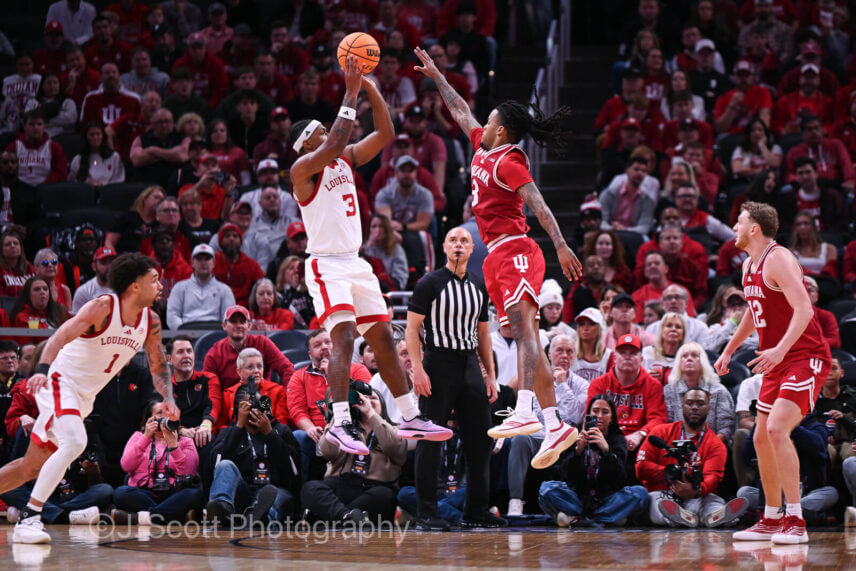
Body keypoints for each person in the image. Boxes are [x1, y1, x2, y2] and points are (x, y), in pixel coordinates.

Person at [414, 45, 583, 467]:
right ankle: (554, 423)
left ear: (502, 132)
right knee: (532, 344)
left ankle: (525, 409)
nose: (483, 123)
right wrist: (437, 76)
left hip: (518, 249)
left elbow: (539, 204)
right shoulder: (482, 149)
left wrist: (560, 245)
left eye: (490, 121)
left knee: (526, 333)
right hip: (495, 257)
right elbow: (459, 111)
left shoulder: (510, 161)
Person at [289, 55, 451, 455]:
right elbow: (336, 139)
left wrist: (373, 91)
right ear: (306, 142)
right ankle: (340, 420)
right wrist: (350, 89)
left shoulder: (346, 157)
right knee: (342, 337)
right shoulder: (304, 168)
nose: (329, 132)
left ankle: (410, 414)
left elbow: (386, 132)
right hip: (326, 263)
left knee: (381, 338)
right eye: (320, 131)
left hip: (356, 262)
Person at [0, 253, 179, 543]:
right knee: (76, 441)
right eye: (154, 279)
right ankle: (29, 518)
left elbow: (158, 365)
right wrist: (43, 370)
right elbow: (60, 335)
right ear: (135, 285)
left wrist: (166, 398)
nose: (160, 286)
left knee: (29, 467)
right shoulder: (103, 308)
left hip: (84, 397)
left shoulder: (151, 321)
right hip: (60, 381)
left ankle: (29, 513)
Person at [716, 201, 832, 544]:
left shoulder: (777, 258)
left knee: (778, 429)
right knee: (759, 437)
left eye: (739, 221)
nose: (734, 226)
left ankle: (795, 521)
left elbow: (804, 307)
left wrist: (781, 348)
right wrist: (728, 349)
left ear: (754, 228)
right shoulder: (748, 265)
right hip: (777, 361)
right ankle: (770, 517)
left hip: (805, 355)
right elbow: (754, 312)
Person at [405, 227, 505, 529]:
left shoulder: (478, 285)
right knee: (431, 438)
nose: (458, 244)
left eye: (464, 241)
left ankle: (476, 510)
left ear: (472, 249)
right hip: (438, 363)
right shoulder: (429, 283)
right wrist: (418, 369)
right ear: (445, 247)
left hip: (470, 364)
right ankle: (426, 511)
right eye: (453, 240)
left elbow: (484, 333)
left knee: (481, 439)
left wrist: (491, 376)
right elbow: (411, 330)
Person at [637, 388, 748, 528]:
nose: (694, 407)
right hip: (664, 492)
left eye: (700, 404)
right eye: (689, 403)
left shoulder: (716, 444)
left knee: (713, 501)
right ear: (682, 406)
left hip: (699, 494)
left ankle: (716, 516)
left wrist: (696, 490)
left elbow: (712, 477)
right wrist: (670, 472)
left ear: (709, 408)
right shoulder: (660, 432)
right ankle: (679, 518)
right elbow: (640, 468)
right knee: (657, 502)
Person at [504, 334, 589, 517]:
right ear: (549, 354)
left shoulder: (583, 385)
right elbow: (530, 416)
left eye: (569, 352)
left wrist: (563, 384)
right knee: (519, 439)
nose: (564, 356)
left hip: (568, 441)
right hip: (541, 438)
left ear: (574, 356)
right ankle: (516, 501)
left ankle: (567, 503)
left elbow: (577, 416)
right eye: (559, 351)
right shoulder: (534, 381)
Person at [301, 383, 408, 525]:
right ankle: (346, 517)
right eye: (362, 399)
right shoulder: (343, 429)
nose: (367, 401)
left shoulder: (395, 430)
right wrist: (340, 413)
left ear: (383, 404)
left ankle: (330, 518)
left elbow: (396, 448)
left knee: (385, 496)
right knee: (310, 488)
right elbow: (327, 452)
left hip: (374, 489)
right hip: (341, 484)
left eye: (373, 398)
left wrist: (370, 413)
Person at [538, 395, 649, 527]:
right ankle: (606, 519)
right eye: (595, 411)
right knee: (546, 489)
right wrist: (577, 451)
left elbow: (620, 477)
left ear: (612, 417)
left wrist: (607, 451)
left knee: (640, 494)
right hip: (577, 497)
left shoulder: (617, 439)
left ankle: (578, 519)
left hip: (607, 498)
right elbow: (563, 474)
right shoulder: (574, 436)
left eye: (605, 412)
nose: (600, 416)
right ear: (587, 415)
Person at [205, 380, 301, 527]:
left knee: (273, 495)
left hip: (274, 489)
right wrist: (238, 427)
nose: (254, 411)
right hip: (242, 492)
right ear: (239, 410)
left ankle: (258, 516)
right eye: (249, 407)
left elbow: (294, 472)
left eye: (258, 405)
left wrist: (269, 434)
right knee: (225, 465)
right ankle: (222, 509)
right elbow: (217, 467)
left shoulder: (280, 431)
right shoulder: (230, 432)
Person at [286, 330, 373, 481]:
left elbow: (365, 400)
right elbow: (296, 410)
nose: (324, 347)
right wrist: (309, 428)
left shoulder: (357, 369)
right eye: (317, 345)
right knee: (299, 436)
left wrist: (334, 375)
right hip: (318, 434)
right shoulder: (298, 377)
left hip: (353, 427)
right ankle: (304, 491)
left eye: (328, 342)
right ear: (309, 354)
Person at [110, 400, 202, 525]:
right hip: (144, 492)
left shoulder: (185, 441)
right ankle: (176, 516)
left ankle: (143, 518)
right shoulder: (138, 437)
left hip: (174, 492)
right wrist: (146, 437)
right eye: (160, 413)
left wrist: (174, 445)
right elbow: (126, 466)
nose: (165, 417)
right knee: (120, 493)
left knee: (194, 494)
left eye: (169, 413)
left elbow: (189, 472)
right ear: (148, 420)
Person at [587, 334, 668, 456]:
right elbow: (590, 418)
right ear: (614, 357)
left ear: (641, 359)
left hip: (638, 444)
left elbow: (658, 419)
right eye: (623, 353)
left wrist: (640, 434)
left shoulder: (653, 385)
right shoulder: (599, 384)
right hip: (606, 439)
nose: (627, 357)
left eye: (633, 353)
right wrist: (613, 435)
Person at [203, 305, 294, 391]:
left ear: (249, 326)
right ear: (224, 326)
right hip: (229, 403)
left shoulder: (263, 343)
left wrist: (286, 397)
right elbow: (209, 387)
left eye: (242, 322)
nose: (238, 325)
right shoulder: (215, 352)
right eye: (233, 321)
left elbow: (287, 369)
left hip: (263, 401)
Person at [663, 343, 735, 443]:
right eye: (684, 356)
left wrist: (706, 447)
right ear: (678, 362)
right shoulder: (669, 390)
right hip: (677, 446)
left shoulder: (719, 391)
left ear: (703, 362)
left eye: (694, 355)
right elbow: (667, 425)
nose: (689, 359)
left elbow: (726, 428)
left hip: (713, 445)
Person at [166, 335, 219, 447]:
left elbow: (213, 405)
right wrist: (181, 431)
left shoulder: (209, 378)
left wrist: (205, 426)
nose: (186, 356)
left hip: (204, 433)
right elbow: (164, 416)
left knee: (208, 439)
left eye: (189, 351)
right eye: (180, 352)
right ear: (169, 359)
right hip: (177, 436)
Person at [4, 109, 67, 186]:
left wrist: (45, 184)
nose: (36, 127)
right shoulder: (14, 147)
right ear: (24, 127)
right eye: (31, 124)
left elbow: (61, 173)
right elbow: (4, 170)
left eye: (39, 124)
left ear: (44, 127)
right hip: (19, 189)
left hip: (47, 189)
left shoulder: (54, 147)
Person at [598, 157, 656, 237]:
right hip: (609, 232)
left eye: (643, 171)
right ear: (627, 171)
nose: (640, 173)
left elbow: (644, 227)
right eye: (636, 169)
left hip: (633, 235)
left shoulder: (647, 200)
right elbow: (600, 221)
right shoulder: (609, 194)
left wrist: (625, 230)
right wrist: (611, 228)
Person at [10, 276, 71, 347]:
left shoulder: (60, 311)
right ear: (28, 295)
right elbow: (26, 349)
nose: (42, 292)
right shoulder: (22, 318)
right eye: (37, 289)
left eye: (45, 289)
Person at [104, 183, 164, 255]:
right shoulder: (126, 218)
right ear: (144, 199)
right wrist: (111, 258)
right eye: (156, 197)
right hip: (123, 259)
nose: (160, 201)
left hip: (149, 261)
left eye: (162, 199)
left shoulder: (161, 223)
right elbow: (108, 243)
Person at [69, 122, 125, 186]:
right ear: (86, 137)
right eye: (92, 134)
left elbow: (119, 181)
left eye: (98, 134)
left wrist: (102, 185)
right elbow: (72, 182)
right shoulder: (78, 159)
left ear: (103, 136)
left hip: (109, 193)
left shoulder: (114, 157)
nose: (95, 137)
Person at [363, 213, 408, 291]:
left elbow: (400, 280)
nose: (377, 230)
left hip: (389, 289)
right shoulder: (363, 249)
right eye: (374, 227)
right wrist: (368, 246)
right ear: (369, 230)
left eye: (381, 226)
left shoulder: (396, 249)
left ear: (387, 229)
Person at [789, 212, 838, 278]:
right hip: (802, 285)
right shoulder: (790, 252)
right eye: (798, 224)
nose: (802, 227)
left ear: (813, 227)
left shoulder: (829, 249)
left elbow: (831, 272)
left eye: (806, 223)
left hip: (824, 283)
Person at [570, 308, 613, 383]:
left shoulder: (609, 356)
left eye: (591, 324)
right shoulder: (569, 353)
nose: (586, 328)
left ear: (600, 328)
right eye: (582, 324)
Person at [641, 312, 685, 382]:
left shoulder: (686, 358)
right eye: (669, 326)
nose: (673, 329)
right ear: (661, 331)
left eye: (678, 327)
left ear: (683, 334)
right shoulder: (647, 353)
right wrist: (645, 378)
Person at [72, 246, 116, 314]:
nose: (109, 267)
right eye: (104, 263)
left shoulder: (125, 288)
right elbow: (77, 321)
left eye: (112, 262)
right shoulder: (84, 292)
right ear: (94, 266)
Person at [276, 255, 315, 328]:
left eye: (299, 269)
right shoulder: (277, 294)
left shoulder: (310, 292)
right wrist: (293, 289)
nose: (295, 271)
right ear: (283, 273)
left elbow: (313, 314)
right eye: (291, 268)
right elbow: (283, 311)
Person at [33, 249, 72, 314]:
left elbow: (70, 317)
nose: (50, 265)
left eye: (54, 262)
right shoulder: (31, 289)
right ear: (36, 269)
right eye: (45, 263)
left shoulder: (65, 290)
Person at [0, 228, 34, 299]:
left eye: (16, 243)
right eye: (8, 244)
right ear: (1, 250)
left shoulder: (29, 267)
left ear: (21, 248)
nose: (12, 246)